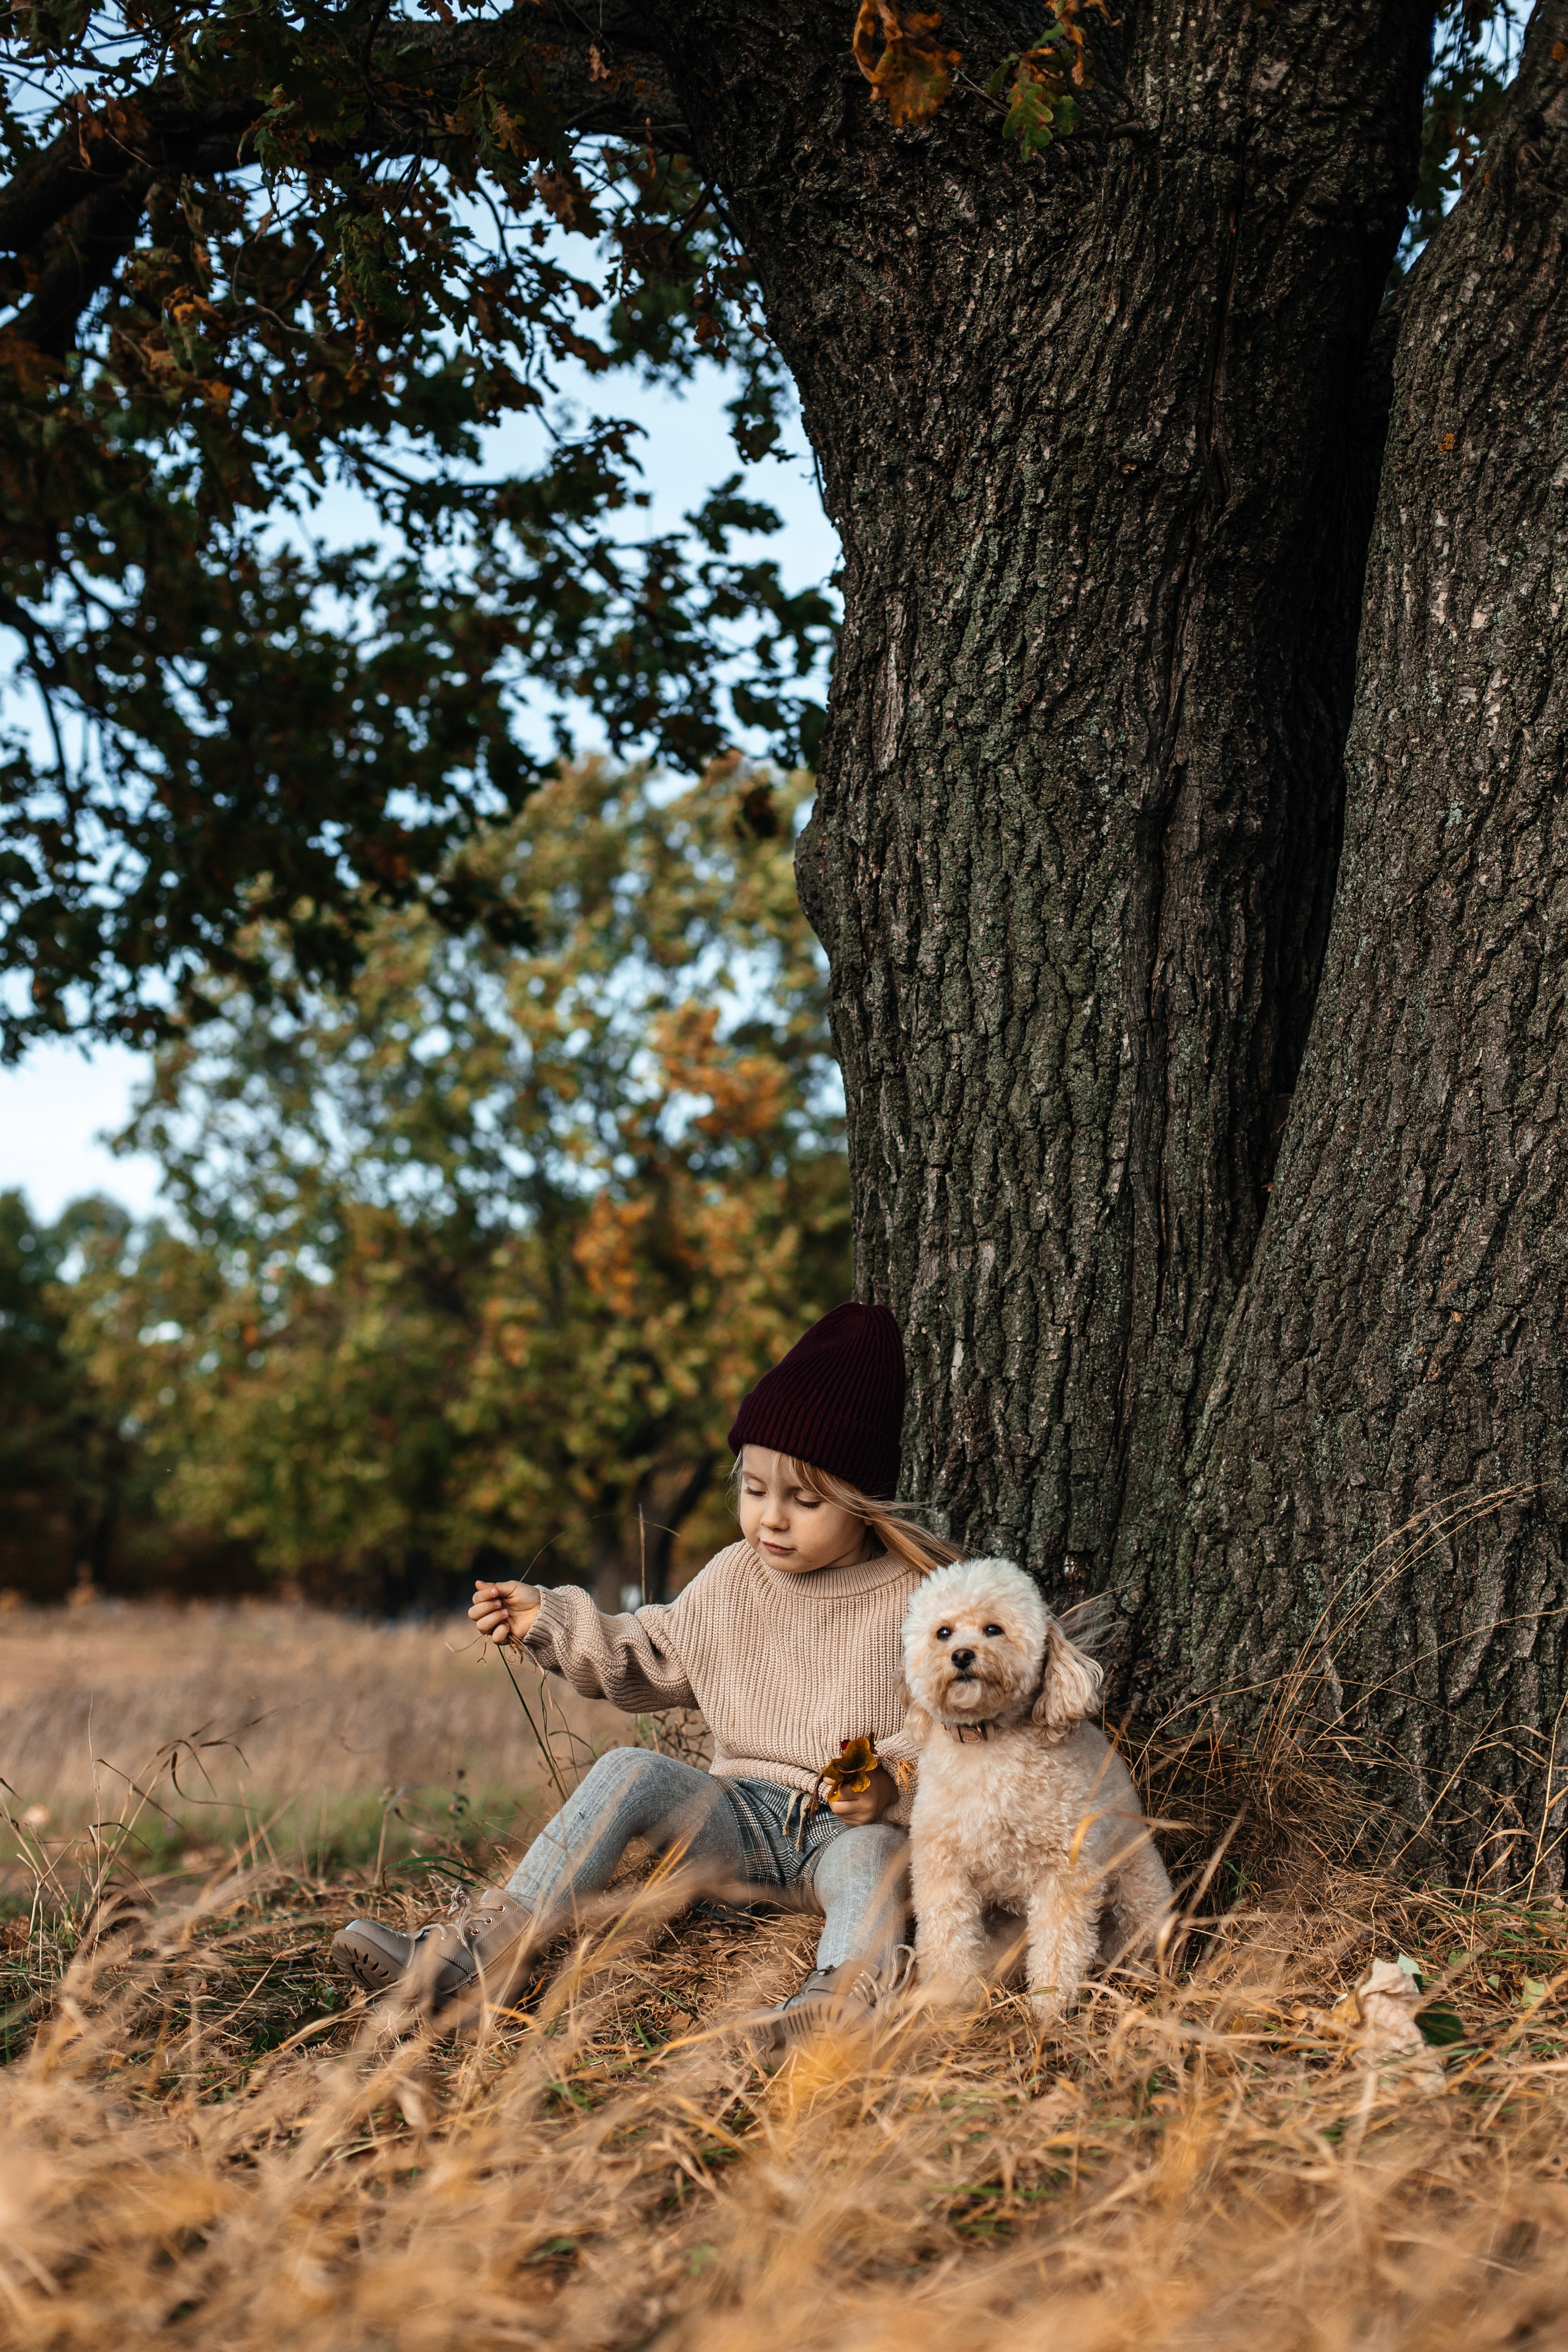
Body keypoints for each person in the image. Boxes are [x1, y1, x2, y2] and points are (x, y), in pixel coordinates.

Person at [331, 1302, 960, 2048]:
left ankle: (842, 2005)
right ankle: (479, 1958)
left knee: (876, 1858)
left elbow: (952, 1732)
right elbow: (650, 1650)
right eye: (754, 1490)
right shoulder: (734, 1577)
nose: (772, 1519)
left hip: (842, 1833)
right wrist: (551, 1623)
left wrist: (891, 1784)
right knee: (627, 1769)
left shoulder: (921, 1599)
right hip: (736, 1819)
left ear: (861, 1500)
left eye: (805, 1500)